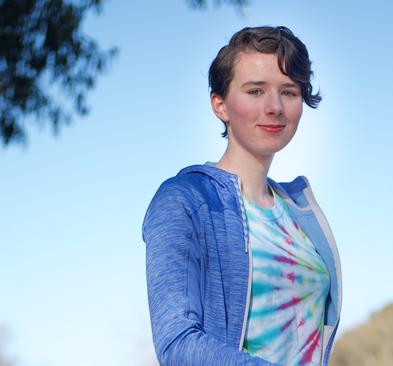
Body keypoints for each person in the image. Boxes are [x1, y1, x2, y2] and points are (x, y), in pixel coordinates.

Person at [142, 26, 342, 366]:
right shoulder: (184, 201)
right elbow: (178, 345)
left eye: (289, 92)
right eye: (255, 91)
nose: (274, 107)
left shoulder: (301, 213)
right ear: (220, 104)